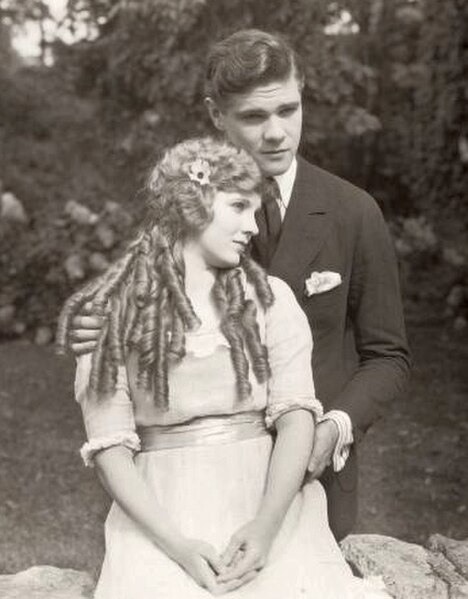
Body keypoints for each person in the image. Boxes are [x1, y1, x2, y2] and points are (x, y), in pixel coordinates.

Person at [70, 29, 410, 543]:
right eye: (254, 116)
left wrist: (335, 426)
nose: (277, 132)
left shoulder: (353, 211)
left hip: (314, 474)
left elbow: (388, 355)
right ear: (216, 115)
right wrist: (101, 328)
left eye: (289, 110)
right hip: (191, 484)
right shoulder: (182, 213)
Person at [58, 137, 390, 598]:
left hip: (266, 499)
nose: (252, 227)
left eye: (255, 212)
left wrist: (265, 527)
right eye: (238, 207)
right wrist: (176, 545)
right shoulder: (112, 314)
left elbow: (296, 419)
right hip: (161, 511)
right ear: (191, 205)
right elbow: (109, 446)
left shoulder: (271, 300)